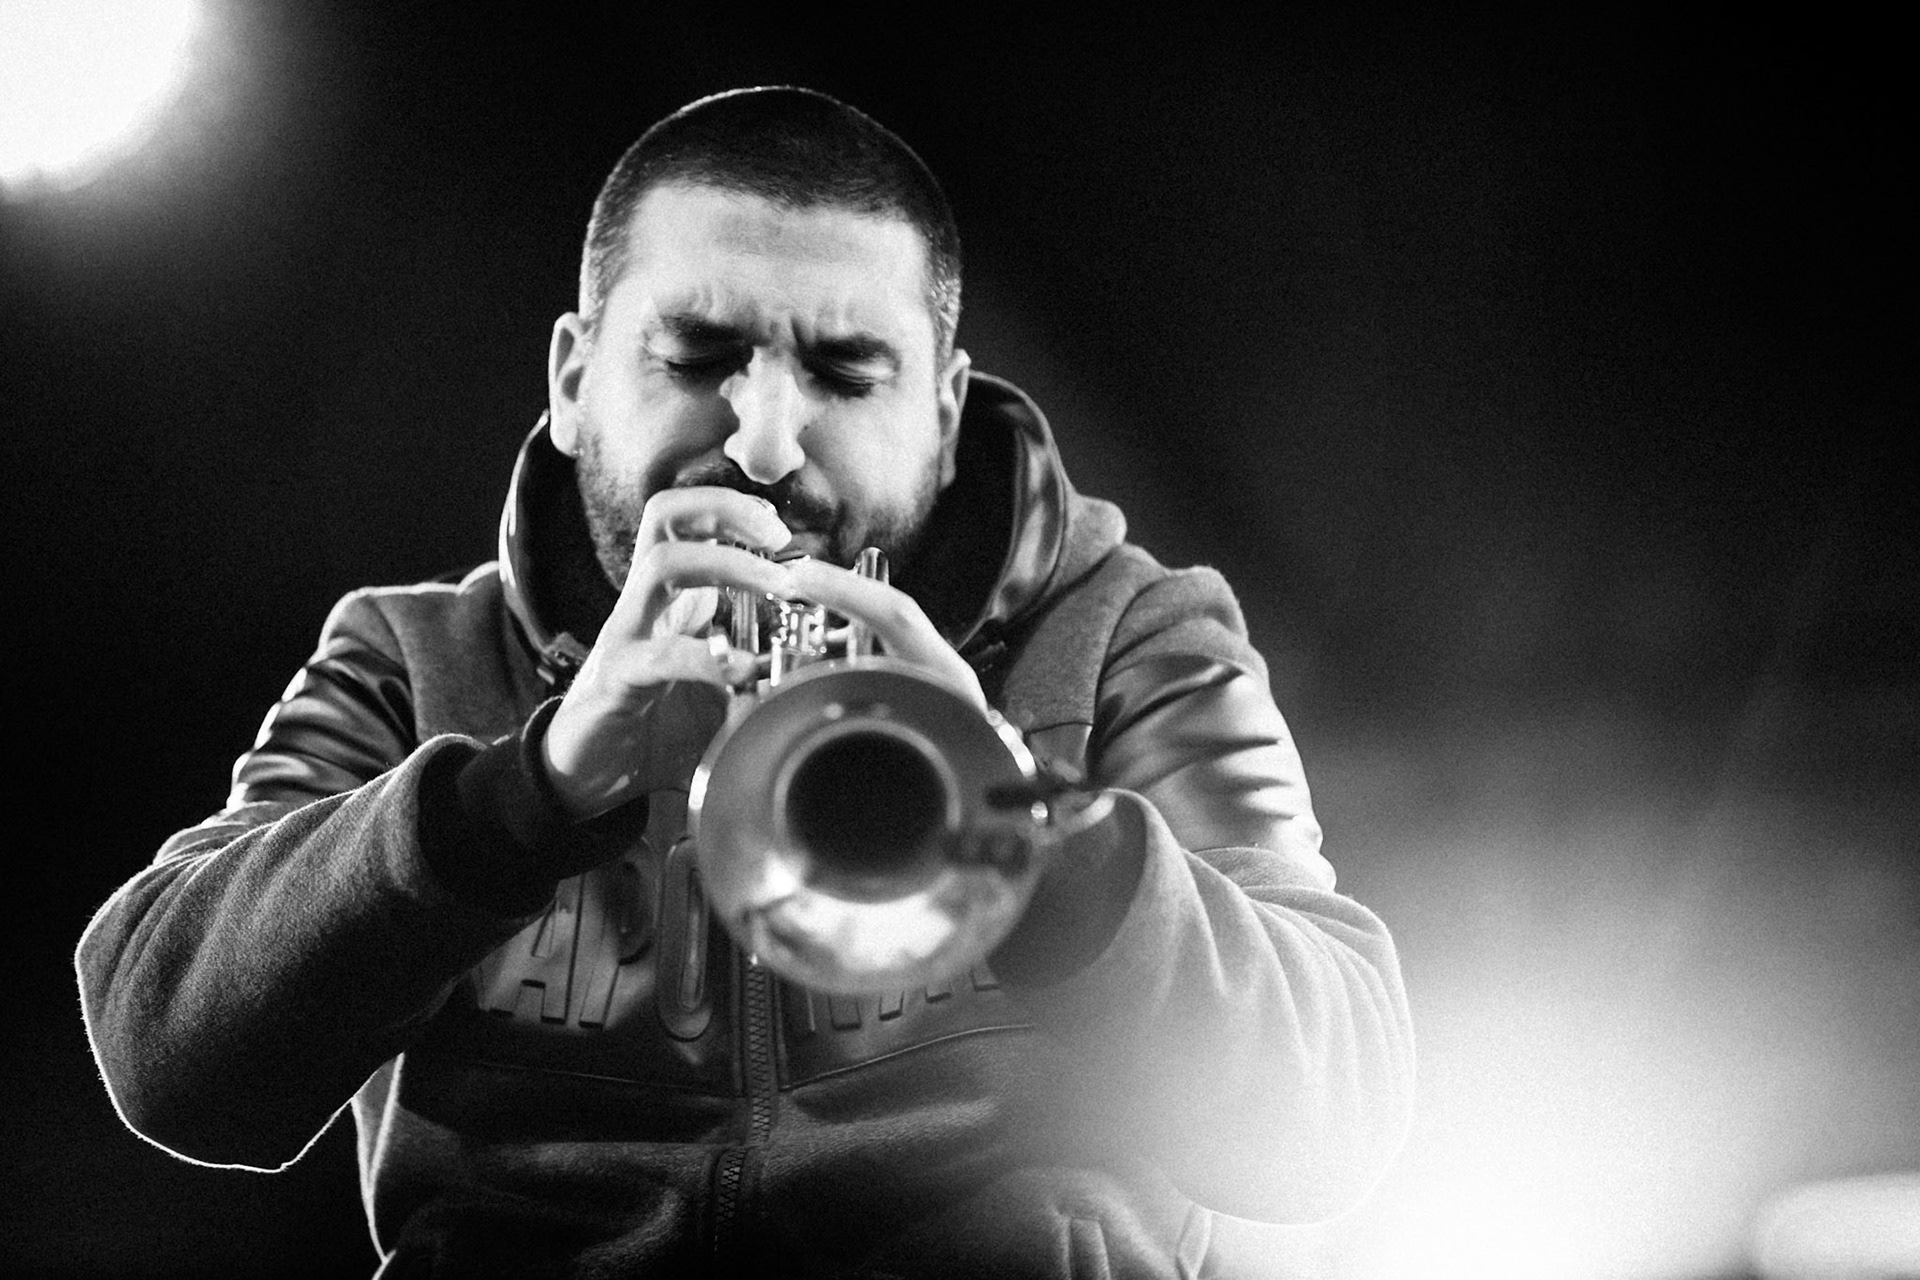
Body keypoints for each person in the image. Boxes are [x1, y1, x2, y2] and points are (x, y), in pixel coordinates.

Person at [76, 86, 1414, 1278]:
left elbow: (1334, 1118)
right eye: (701, 356)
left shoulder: (1134, 633)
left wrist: (1025, 817)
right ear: (571, 379)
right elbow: (168, 1057)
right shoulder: (411, 657)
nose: (765, 444)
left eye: (844, 371)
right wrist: (519, 798)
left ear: (944, 416)